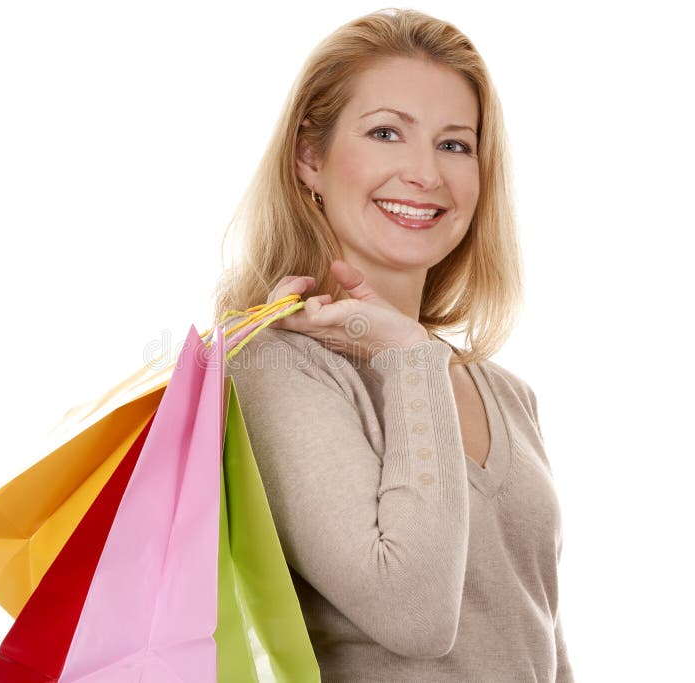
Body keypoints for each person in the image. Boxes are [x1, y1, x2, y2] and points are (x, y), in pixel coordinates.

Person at [214, 8, 574, 682]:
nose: (424, 173)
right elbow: (413, 612)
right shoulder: (277, 368)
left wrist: (418, 353)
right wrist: (409, 357)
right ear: (309, 158)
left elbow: (541, 642)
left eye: (455, 144)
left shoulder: (508, 396)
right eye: (386, 133)